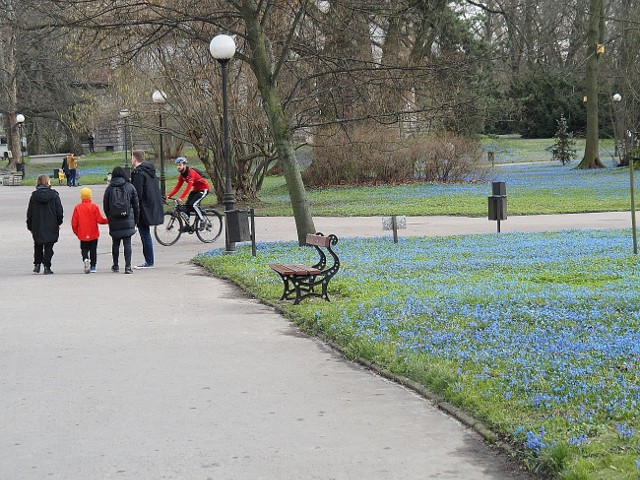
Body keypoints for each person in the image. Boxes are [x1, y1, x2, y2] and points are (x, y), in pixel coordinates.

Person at [130, 150, 164, 269]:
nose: (131, 160)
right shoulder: (150, 171)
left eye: (132, 157)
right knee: (145, 233)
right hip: (150, 205)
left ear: (135, 158)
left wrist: (133, 207)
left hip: (143, 208)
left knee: (144, 233)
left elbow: (137, 193)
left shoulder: (138, 173)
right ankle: (149, 260)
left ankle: (149, 261)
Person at [103, 166, 139, 274]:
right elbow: (136, 205)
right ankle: (128, 267)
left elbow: (106, 206)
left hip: (114, 219)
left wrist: (109, 217)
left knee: (115, 243)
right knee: (127, 243)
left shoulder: (109, 189)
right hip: (128, 219)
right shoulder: (130, 187)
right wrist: (135, 220)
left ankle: (115, 265)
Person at [26, 174, 64, 275]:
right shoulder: (54, 195)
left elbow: (30, 212)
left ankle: (37, 264)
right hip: (51, 223)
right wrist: (59, 222)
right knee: (49, 246)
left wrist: (29, 225)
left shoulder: (34, 196)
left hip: (37, 224)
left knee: (38, 244)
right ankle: (47, 266)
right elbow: (59, 211)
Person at [165, 156, 210, 231]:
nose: (178, 167)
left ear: (185, 165)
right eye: (177, 165)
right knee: (186, 206)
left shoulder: (191, 173)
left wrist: (181, 198)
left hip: (204, 189)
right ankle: (188, 225)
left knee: (193, 204)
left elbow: (188, 187)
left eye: (180, 165)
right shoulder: (182, 176)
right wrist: (168, 196)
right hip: (196, 190)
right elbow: (177, 187)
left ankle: (203, 220)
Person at [71, 187, 109, 273]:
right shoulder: (94, 207)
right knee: (93, 250)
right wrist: (108, 221)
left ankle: (85, 258)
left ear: (81, 196)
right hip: (93, 233)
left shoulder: (78, 208)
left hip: (83, 233)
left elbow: (74, 223)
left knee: (84, 249)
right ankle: (93, 266)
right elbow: (100, 220)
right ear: (90, 196)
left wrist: (77, 233)